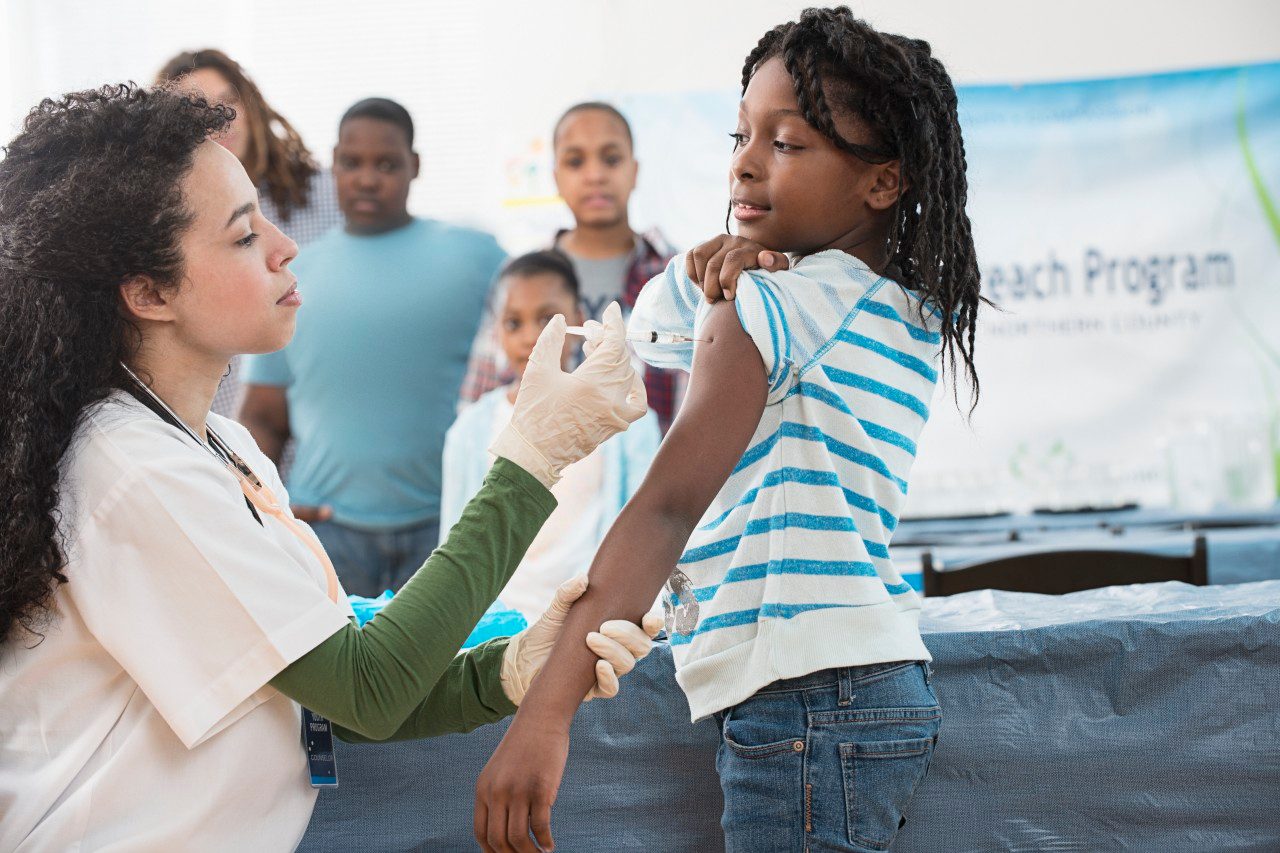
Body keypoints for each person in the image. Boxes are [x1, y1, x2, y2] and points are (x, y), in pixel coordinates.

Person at [0, 83, 658, 852]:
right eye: (245, 236)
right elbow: (369, 689)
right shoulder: (130, 470)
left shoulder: (221, 445)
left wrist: (507, 669)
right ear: (149, 291)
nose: (286, 246)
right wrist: (533, 457)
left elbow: (334, 690)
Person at [473, 8, 983, 852]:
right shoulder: (896, 306)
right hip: (866, 684)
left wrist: (546, 712)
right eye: (742, 134)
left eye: (785, 143)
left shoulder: (769, 310)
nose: (745, 161)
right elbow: (655, 330)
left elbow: (668, 508)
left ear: (882, 181)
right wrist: (715, 262)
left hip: (803, 698)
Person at [239, 97, 508, 596]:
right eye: (352, 163)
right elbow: (263, 416)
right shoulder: (291, 275)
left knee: (447, 673)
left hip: (447, 525)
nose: (367, 179)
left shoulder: (479, 258)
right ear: (333, 165)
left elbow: (522, 380)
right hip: (327, 530)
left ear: (415, 167)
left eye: (386, 164)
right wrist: (267, 508)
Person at [441, 250, 661, 622]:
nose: (530, 337)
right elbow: (453, 546)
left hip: (587, 627)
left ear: (578, 321)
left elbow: (646, 534)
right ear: (497, 333)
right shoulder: (470, 430)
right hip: (494, 629)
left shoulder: (625, 422)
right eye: (514, 323)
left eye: (546, 320)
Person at [459, 102, 681, 432]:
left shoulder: (672, 278)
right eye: (575, 161)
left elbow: (692, 402)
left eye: (611, 159)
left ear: (634, 171)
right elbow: (480, 404)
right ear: (556, 178)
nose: (595, 175)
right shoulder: (520, 279)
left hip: (650, 476)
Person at [156, 49, 343, 417]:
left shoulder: (325, 193)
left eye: (229, 102)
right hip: (218, 428)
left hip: (313, 423)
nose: (222, 120)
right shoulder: (170, 220)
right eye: (200, 110)